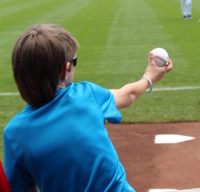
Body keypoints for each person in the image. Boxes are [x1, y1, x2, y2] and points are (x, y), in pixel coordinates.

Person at [3, 23, 173, 192]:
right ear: (65, 69)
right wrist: (149, 77)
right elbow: (127, 95)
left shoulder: (14, 134)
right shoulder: (85, 95)